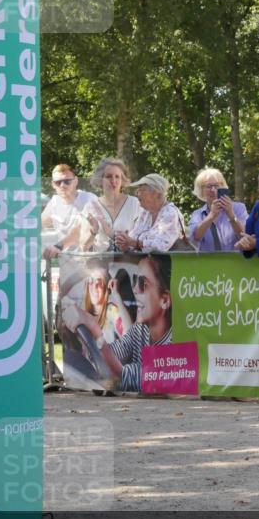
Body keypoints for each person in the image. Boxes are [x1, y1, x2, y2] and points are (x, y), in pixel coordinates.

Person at [63, 254, 172, 392]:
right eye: (134, 281)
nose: (134, 289)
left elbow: (124, 377)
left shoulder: (174, 341)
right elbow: (116, 352)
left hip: (154, 408)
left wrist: (94, 330)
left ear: (164, 300)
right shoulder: (141, 329)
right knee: (71, 358)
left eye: (143, 284)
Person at [116, 174, 191, 252]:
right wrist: (124, 243)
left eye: (141, 190)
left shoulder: (170, 213)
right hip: (143, 261)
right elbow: (132, 239)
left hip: (169, 262)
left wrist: (134, 243)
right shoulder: (145, 213)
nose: (136, 194)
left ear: (156, 193)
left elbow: (160, 246)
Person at [81, 158, 141, 252]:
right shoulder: (90, 207)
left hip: (129, 260)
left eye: (117, 177)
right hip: (100, 262)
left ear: (122, 180)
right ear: (100, 179)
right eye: (108, 176)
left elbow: (143, 241)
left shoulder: (135, 204)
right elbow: (83, 246)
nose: (113, 181)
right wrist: (93, 231)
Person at [42, 164, 101, 258]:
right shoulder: (54, 203)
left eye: (67, 181)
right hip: (66, 264)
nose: (62, 185)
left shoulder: (89, 199)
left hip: (90, 262)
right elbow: (37, 225)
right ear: (53, 184)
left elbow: (79, 230)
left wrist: (58, 246)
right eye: (58, 182)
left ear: (76, 181)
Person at [189, 167, 249, 252]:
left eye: (216, 186)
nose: (213, 190)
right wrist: (211, 216)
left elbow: (246, 235)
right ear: (201, 190)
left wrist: (231, 216)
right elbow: (195, 237)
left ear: (223, 187)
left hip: (236, 262)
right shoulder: (197, 214)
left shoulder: (239, 208)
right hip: (209, 263)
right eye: (209, 186)